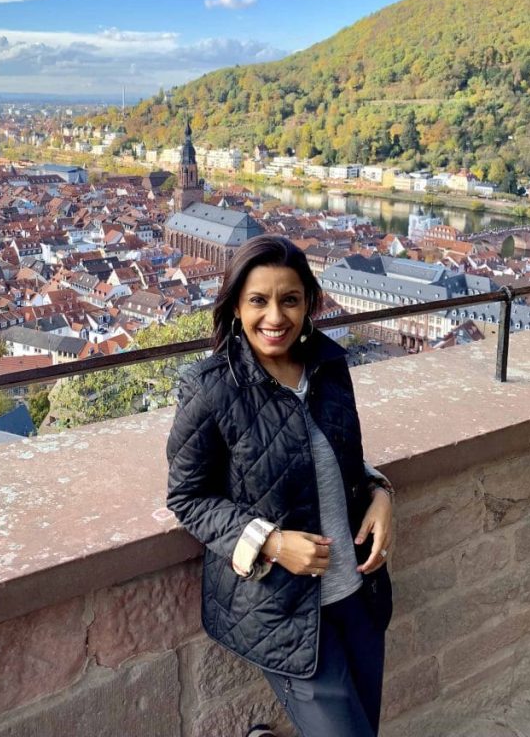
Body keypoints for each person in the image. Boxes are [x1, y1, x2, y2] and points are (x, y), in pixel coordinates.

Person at [166, 235, 394, 737]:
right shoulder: (210, 388)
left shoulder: (328, 367)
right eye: (258, 301)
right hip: (283, 611)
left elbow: (337, 457)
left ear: (308, 303)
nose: (275, 317)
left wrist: (380, 492)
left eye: (289, 300)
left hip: (356, 593)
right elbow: (187, 496)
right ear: (235, 307)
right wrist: (268, 541)